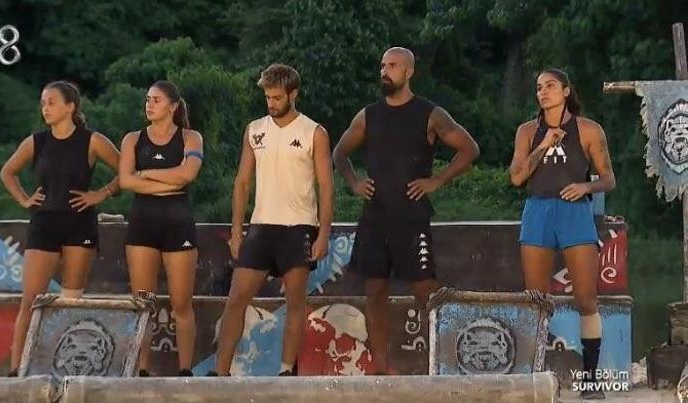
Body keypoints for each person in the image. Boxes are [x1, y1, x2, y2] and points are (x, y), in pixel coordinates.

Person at [332, 47, 479, 375]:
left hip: (411, 216)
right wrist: (354, 182)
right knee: (375, 291)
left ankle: (447, 362)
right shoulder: (368, 115)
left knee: (425, 290)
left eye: (393, 65)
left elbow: (469, 149)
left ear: (409, 72)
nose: (385, 70)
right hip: (375, 216)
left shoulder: (430, 114)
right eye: (383, 65)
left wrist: (436, 180)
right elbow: (339, 152)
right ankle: (381, 367)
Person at [209, 63, 335, 376]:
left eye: (277, 97)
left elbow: (326, 186)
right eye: (267, 97)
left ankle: (285, 371)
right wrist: (236, 232)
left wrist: (323, 235)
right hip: (262, 225)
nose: (271, 103)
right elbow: (242, 182)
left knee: (295, 302)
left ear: (294, 94)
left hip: (299, 226)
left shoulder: (314, 132)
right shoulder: (254, 130)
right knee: (236, 298)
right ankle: (219, 373)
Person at [0, 80, 120, 376]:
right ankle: (16, 371)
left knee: (70, 301)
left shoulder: (92, 141)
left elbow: (125, 171)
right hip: (44, 224)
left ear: (70, 106)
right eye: (43, 103)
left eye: (51, 102)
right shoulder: (36, 142)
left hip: (79, 225)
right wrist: (24, 199)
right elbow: (7, 172)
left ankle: (66, 371)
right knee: (31, 301)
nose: (45, 108)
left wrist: (100, 194)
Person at [509, 68, 615, 399]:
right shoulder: (528, 131)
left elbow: (608, 179)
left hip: (575, 212)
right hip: (538, 210)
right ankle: (537, 377)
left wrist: (585, 186)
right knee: (536, 300)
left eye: (551, 86)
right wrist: (543, 144)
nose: (543, 92)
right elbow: (516, 177)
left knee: (586, 299)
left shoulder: (588, 129)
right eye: (539, 87)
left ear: (566, 90)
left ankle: (591, 380)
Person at [119, 81, 204, 377]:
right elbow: (125, 181)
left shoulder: (191, 138)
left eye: (156, 100)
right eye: (147, 100)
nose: (149, 105)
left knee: (181, 303)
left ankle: (185, 370)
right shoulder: (133, 139)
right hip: (143, 223)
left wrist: (145, 174)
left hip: (177, 222)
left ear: (173, 106)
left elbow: (187, 175)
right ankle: (142, 369)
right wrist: (167, 182)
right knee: (144, 302)